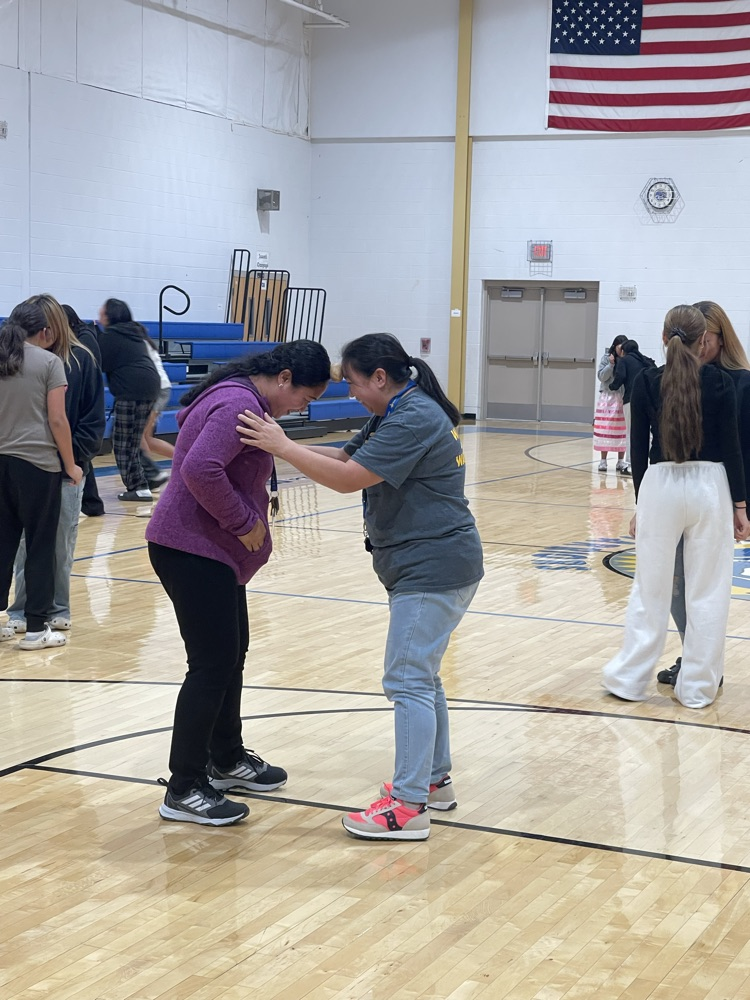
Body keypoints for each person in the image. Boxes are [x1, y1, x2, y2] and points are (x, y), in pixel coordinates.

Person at [238, 333, 484, 841]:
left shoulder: (413, 417)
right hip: (430, 564)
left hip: (432, 567)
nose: (349, 393)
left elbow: (350, 478)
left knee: (407, 679)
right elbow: (346, 454)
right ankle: (433, 781)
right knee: (423, 676)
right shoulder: (398, 411)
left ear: (378, 377)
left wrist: (282, 446)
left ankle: (409, 806)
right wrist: (282, 447)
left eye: (352, 383)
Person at [145, 340, 331, 826]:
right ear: (285, 377)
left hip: (208, 551)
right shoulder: (239, 403)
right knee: (210, 665)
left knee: (232, 654)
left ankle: (225, 759)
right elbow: (200, 469)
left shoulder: (243, 399)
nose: (301, 408)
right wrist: (244, 522)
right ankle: (184, 786)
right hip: (190, 548)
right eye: (305, 398)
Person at [602, 305, 750, 710]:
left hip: (660, 486)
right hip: (710, 488)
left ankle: (630, 678)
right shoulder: (720, 381)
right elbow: (733, 449)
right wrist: (740, 505)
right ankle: (698, 688)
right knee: (708, 591)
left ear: (664, 338)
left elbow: (637, 451)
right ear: (705, 340)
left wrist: (640, 504)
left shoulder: (649, 381)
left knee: (650, 589)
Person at [659, 300, 750, 688]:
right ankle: (694, 656)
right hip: (679, 493)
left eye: (707, 340)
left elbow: (741, 447)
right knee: (677, 582)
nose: (700, 347)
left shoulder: (740, 382)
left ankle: (704, 662)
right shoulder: (675, 377)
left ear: (718, 338)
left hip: (722, 496)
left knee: (707, 586)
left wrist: (740, 504)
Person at [6, 295, 105, 634]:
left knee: (60, 543)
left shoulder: (80, 361)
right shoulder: (19, 360)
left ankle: (57, 607)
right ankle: (21, 610)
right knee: (22, 545)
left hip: (65, 468)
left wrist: (71, 460)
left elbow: (90, 423)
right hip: (33, 467)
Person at [0, 302, 82, 650]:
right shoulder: (50, 363)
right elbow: (58, 420)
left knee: (3, 544)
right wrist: (71, 464)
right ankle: (35, 629)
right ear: (46, 333)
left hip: (1, 462)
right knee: (40, 547)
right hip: (38, 466)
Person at [97, 298, 160, 501]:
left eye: (102, 312)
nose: (99, 314)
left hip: (131, 392)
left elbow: (99, 362)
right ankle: (142, 483)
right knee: (133, 442)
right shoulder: (133, 333)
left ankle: (138, 486)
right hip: (150, 388)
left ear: (109, 315)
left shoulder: (112, 336)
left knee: (123, 443)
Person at [63, 304, 106, 517]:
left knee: (81, 458)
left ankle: (92, 504)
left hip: (82, 408)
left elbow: (89, 377)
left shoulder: (85, 342)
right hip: (80, 409)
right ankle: (92, 504)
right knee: (83, 462)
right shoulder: (83, 337)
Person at [610, 339, 656, 476]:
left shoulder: (624, 361)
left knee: (632, 432)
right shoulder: (646, 360)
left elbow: (620, 377)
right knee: (648, 432)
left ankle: (630, 464)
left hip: (631, 399)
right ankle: (649, 461)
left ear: (623, 351)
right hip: (650, 400)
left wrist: (613, 387)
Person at [138, 337, 173, 492]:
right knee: (147, 439)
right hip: (158, 388)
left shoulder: (139, 343)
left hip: (156, 389)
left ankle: (152, 475)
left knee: (139, 437)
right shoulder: (143, 341)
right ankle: (186, 461)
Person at [593, 335, 627, 473]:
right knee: (605, 429)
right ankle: (603, 460)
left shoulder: (626, 360)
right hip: (607, 397)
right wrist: (611, 364)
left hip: (621, 397)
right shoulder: (606, 358)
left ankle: (620, 461)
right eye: (619, 347)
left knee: (621, 430)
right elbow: (602, 376)